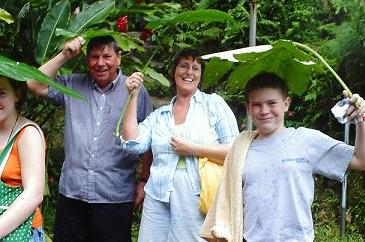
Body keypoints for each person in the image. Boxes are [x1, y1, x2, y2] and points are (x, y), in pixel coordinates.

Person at [201, 72, 365, 242]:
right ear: (248, 108)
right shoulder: (241, 147)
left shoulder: (306, 140)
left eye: (271, 103)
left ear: (286, 104)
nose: (264, 111)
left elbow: (364, 161)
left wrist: (362, 118)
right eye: (257, 105)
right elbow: (227, 202)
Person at [26, 35, 152, 242]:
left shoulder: (135, 90)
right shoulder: (72, 84)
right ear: (87, 60)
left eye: (107, 56)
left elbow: (149, 142)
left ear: (119, 58)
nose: (100, 63)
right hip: (73, 194)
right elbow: (33, 83)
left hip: (115, 196)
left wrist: (144, 180)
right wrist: (65, 55)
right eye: (94, 57)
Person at [121, 48, 239, 242]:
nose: (189, 72)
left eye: (195, 68)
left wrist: (194, 149)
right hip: (157, 194)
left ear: (201, 76)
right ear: (174, 71)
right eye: (184, 66)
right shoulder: (160, 115)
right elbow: (132, 144)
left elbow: (234, 151)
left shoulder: (213, 105)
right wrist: (132, 96)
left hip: (196, 195)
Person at [0, 76, 46, 241]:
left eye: (1, 93)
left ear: (17, 94)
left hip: (20, 230)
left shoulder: (28, 134)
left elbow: (33, 195)